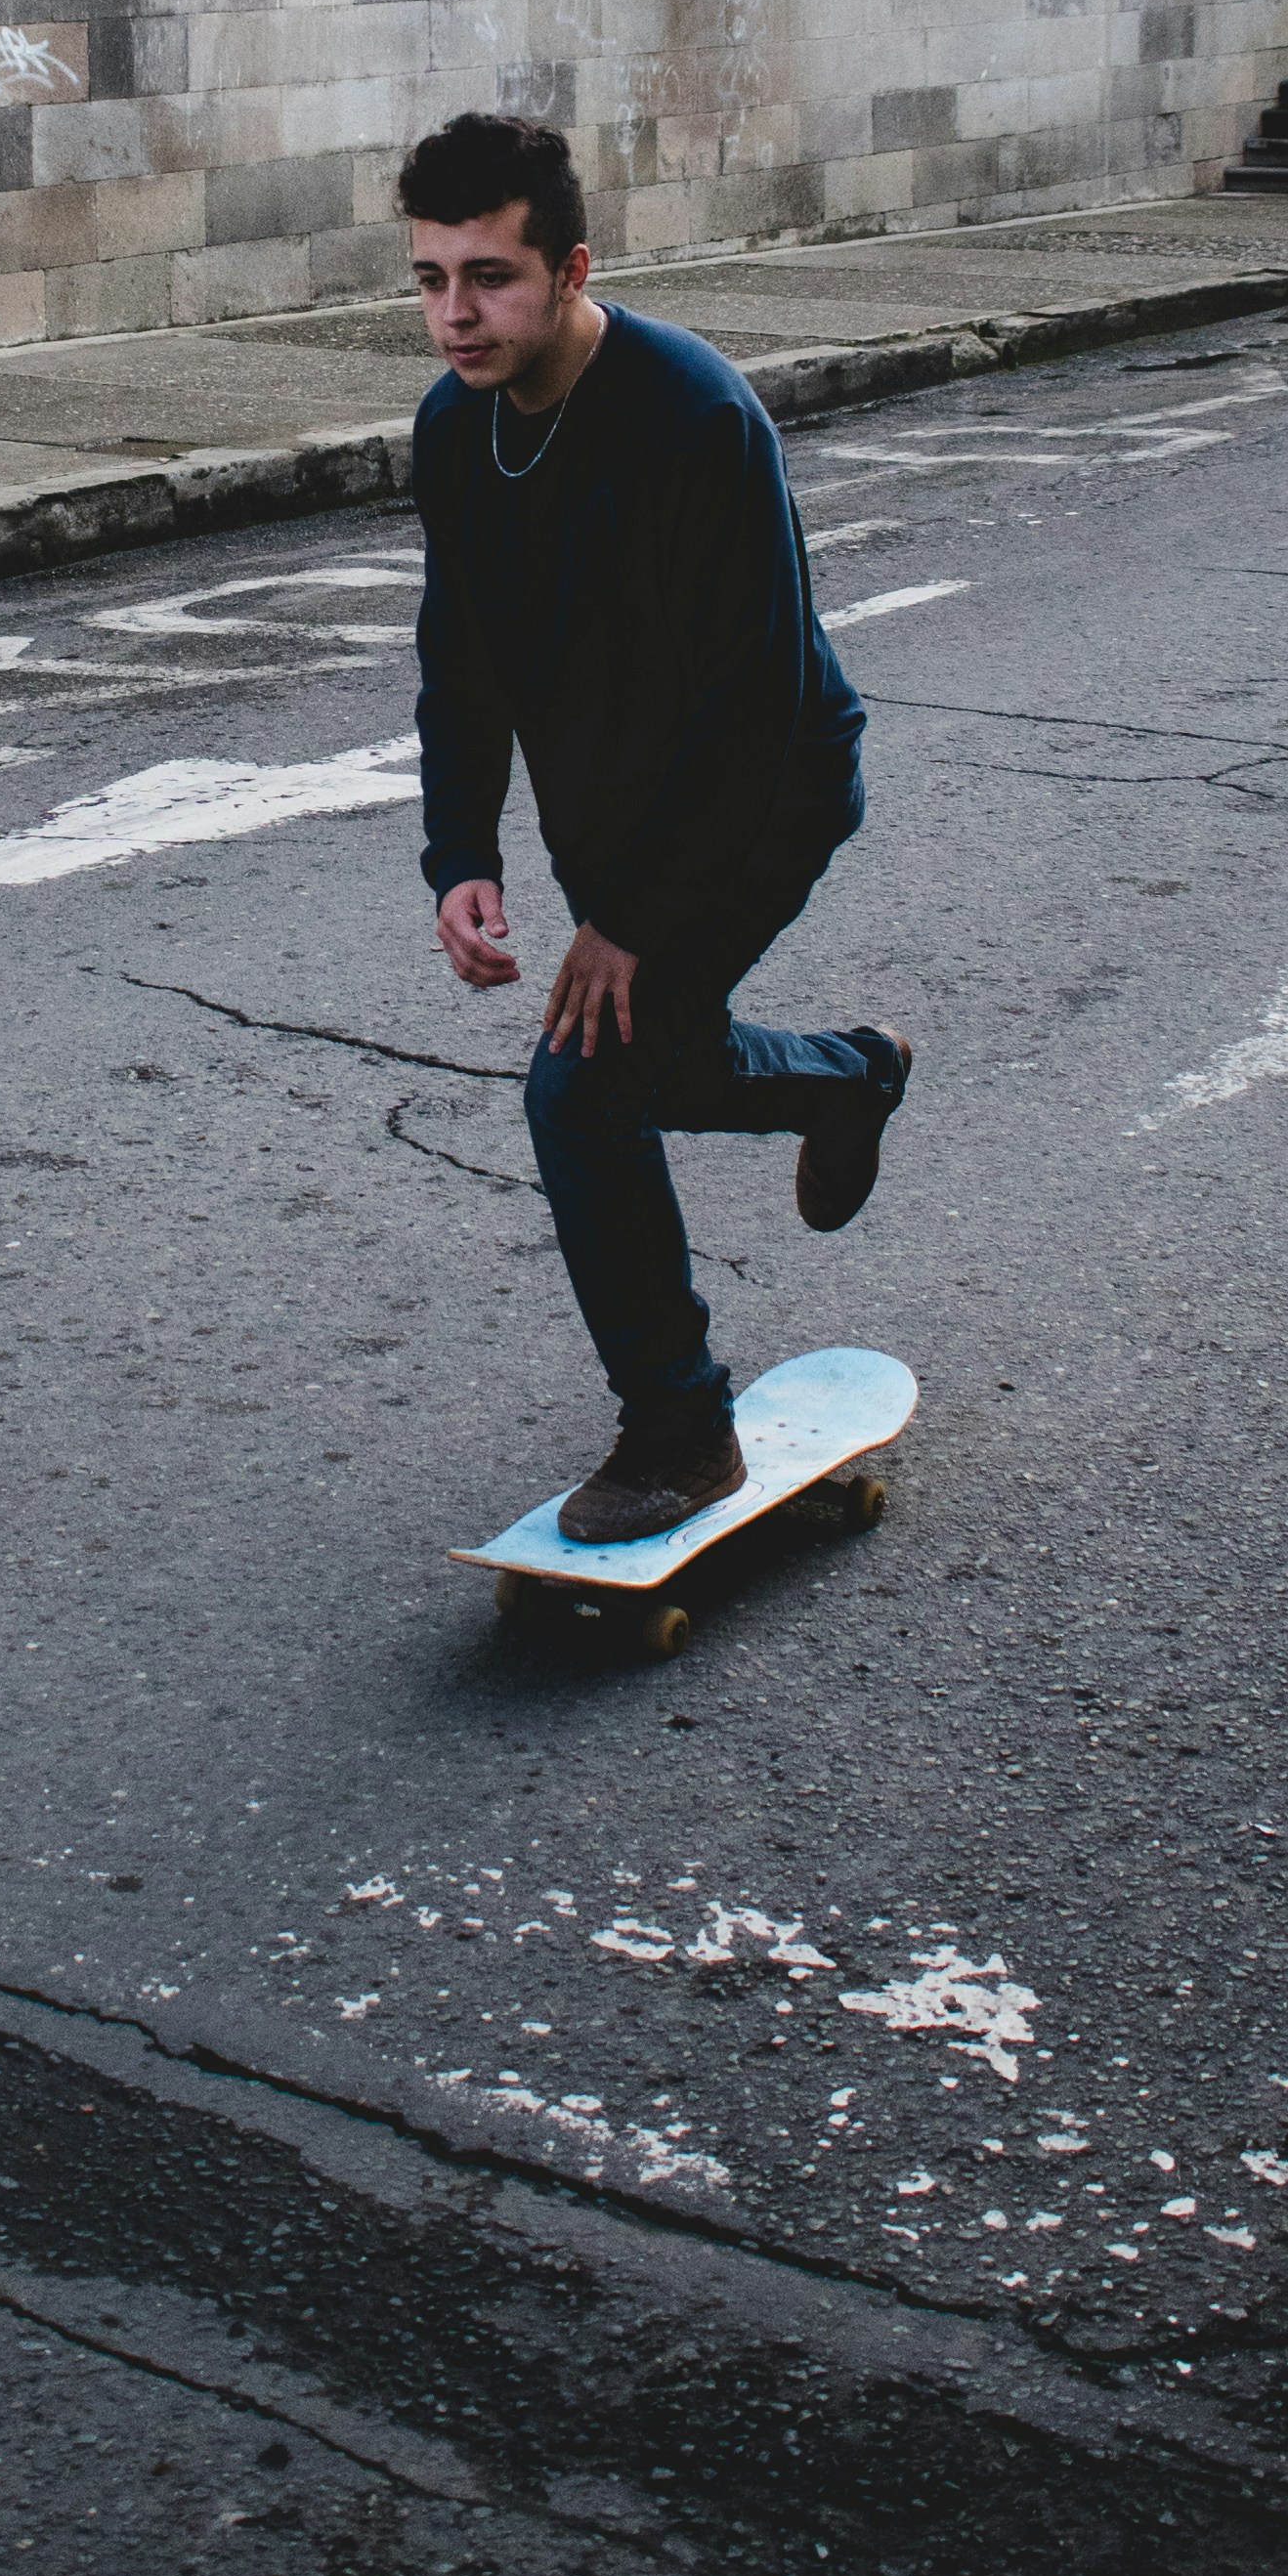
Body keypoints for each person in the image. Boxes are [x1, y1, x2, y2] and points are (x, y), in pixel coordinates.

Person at [400, 108, 909, 1539]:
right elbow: (461, 659)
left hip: (763, 797)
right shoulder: (454, 428)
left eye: (490, 278)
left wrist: (630, 921)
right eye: (431, 279)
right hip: (617, 806)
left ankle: (682, 1430)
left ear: (572, 269)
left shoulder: (693, 417)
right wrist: (461, 856)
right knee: (658, 1060)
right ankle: (844, 1080)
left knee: (583, 1087)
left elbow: (756, 708)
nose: (455, 315)